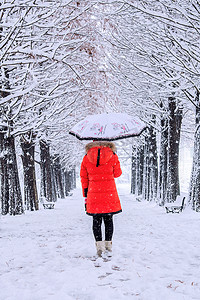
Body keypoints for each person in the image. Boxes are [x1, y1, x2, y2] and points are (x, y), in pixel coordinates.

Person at [80, 141, 122, 257]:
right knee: (109, 220)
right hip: (109, 193)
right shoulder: (112, 155)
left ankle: (99, 247)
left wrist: (86, 195)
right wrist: (114, 158)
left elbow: (84, 178)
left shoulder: (86, 157)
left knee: (96, 221)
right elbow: (117, 173)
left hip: (93, 194)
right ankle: (108, 246)